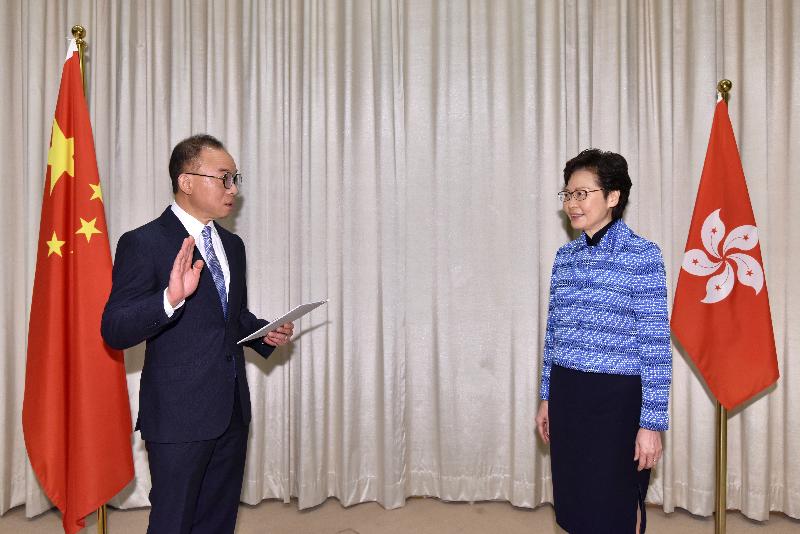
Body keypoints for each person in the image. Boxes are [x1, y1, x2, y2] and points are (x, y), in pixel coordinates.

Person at [101, 134, 294, 534]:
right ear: (186, 181)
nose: (234, 189)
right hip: (178, 416)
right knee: (174, 523)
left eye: (235, 178)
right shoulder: (143, 243)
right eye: (224, 178)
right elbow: (115, 328)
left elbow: (232, 316)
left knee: (217, 522)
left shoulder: (232, 245)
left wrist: (264, 333)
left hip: (232, 411)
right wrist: (170, 298)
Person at [535, 149, 671, 534]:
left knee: (613, 505)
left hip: (616, 401)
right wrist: (547, 395)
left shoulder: (643, 256)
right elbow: (554, 332)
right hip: (568, 392)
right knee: (575, 501)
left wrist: (651, 423)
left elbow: (656, 346)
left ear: (613, 196)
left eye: (583, 193)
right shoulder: (565, 257)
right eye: (568, 194)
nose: (572, 204)